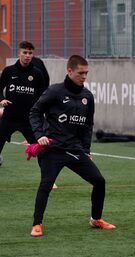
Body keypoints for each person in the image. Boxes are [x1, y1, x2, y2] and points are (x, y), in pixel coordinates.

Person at [29, 55, 115, 237]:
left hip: (75, 149)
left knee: (99, 181)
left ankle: (95, 219)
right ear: (69, 71)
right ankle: (37, 224)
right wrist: (40, 135)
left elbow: (87, 126)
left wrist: (86, 150)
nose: (84, 76)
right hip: (53, 149)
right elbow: (35, 112)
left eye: (86, 73)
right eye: (80, 73)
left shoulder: (87, 96)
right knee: (46, 184)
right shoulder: (54, 92)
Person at [0, 41, 47, 166]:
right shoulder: (9, 71)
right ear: (19, 53)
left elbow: (44, 96)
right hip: (9, 117)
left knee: (41, 150)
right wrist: (1, 99)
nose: (27, 55)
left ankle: (49, 179)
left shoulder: (37, 73)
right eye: (25, 52)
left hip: (29, 120)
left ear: (33, 55)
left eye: (30, 53)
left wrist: (40, 113)